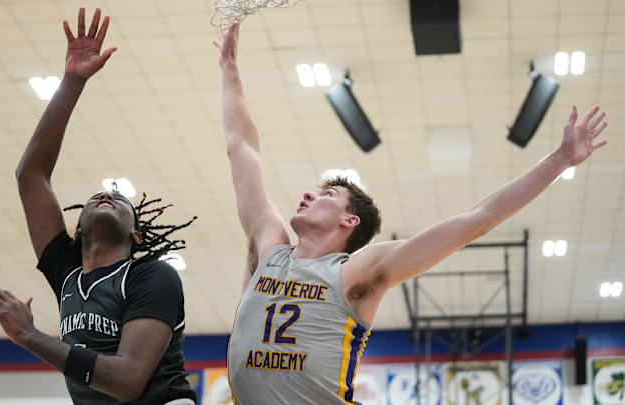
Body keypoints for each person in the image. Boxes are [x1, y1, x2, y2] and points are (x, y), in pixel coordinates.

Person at [214, 24, 609, 404]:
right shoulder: (270, 249)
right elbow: (241, 148)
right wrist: (230, 72)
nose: (307, 194)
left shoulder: (356, 272)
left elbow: (474, 221)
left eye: (326, 194)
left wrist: (560, 160)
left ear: (349, 221)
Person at [0, 8, 197, 405]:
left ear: (136, 234)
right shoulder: (66, 269)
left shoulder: (151, 277)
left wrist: (29, 335)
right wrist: (72, 82)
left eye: (121, 202)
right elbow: (31, 176)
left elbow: (127, 380)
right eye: (95, 197)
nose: (105, 195)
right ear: (77, 229)